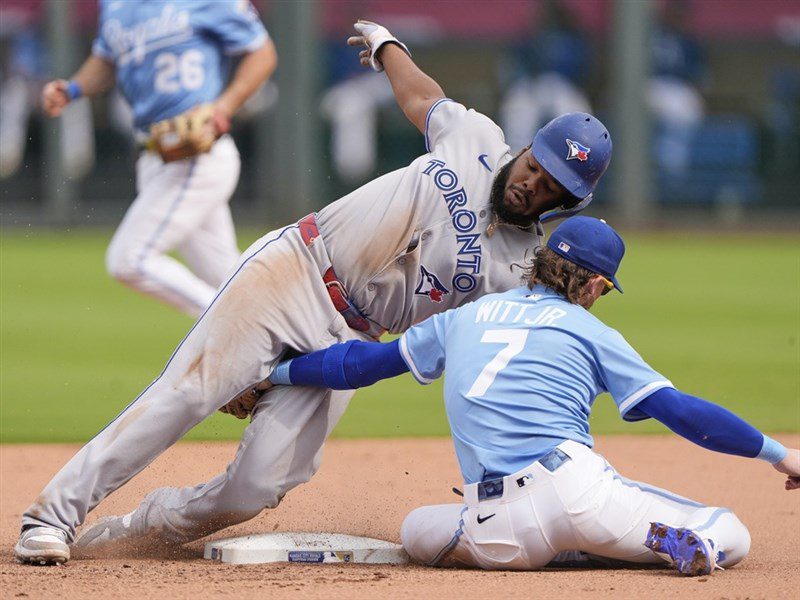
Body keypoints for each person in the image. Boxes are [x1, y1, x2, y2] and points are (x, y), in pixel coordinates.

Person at [14, 20, 612, 566]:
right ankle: (51, 516)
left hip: (351, 339)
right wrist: (387, 48)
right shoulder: (476, 138)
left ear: (566, 202)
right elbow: (422, 98)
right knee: (189, 392)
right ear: (529, 146)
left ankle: (139, 531)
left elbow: (499, 349)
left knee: (258, 487)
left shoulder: (515, 271)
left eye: (551, 186)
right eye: (537, 163)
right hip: (297, 268)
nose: (533, 182)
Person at [259, 216, 800, 576]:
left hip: (497, 531)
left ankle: (575, 545)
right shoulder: (592, 332)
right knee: (730, 527)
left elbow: (359, 365)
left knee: (416, 530)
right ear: (592, 285)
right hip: (577, 491)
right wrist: (780, 455)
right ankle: (675, 544)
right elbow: (682, 413)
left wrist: (276, 375)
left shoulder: (465, 316)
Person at [40, 0, 277, 317]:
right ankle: (294, 336)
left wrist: (223, 107)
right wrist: (73, 89)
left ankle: (232, 326)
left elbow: (262, 53)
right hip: (154, 155)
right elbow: (108, 59)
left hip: (198, 156)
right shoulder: (115, 5)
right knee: (229, 276)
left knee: (129, 259)